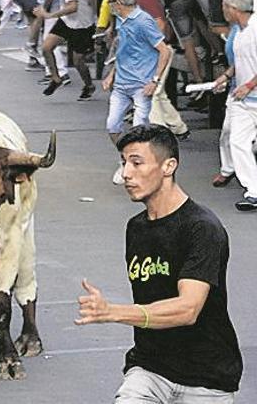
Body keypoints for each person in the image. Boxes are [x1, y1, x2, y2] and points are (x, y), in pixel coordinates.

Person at [75, 124, 243, 402]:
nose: (126, 173)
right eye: (124, 163)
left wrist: (112, 312)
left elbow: (188, 309)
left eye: (137, 163)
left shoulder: (202, 228)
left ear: (168, 166)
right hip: (149, 369)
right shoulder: (136, 228)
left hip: (206, 377)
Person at [100, 0, 172, 184]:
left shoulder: (143, 21)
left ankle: (142, 168)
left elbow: (164, 51)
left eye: (112, 2)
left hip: (141, 85)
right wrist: (111, 75)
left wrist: (154, 81)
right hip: (121, 84)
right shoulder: (121, 20)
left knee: (140, 131)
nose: (110, 6)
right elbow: (124, 51)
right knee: (112, 125)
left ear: (120, 3)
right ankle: (126, 161)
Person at [214, 0, 257, 211]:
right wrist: (227, 76)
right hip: (245, 99)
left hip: (250, 94)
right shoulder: (238, 33)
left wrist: (249, 85)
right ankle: (253, 191)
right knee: (238, 141)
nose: (223, 11)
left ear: (234, 9)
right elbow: (240, 62)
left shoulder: (255, 29)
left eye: (225, 7)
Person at [35, 0, 96, 99]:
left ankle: (89, 85)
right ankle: (56, 78)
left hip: (82, 23)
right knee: (46, 47)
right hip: (67, 20)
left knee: (78, 61)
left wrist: (50, 15)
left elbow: (72, 6)